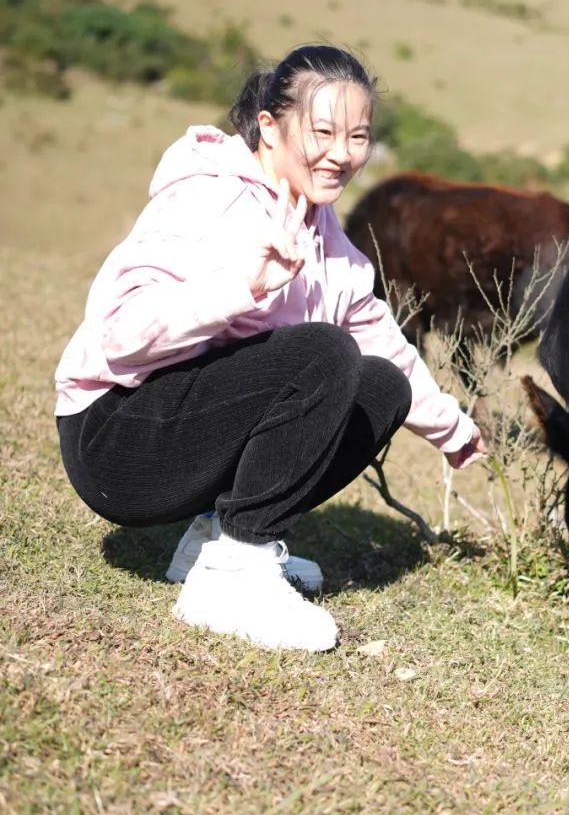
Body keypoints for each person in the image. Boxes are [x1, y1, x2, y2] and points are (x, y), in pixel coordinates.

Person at [55, 44, 486, 652]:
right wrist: (241, 288)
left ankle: (215, 543)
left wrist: (453, 430)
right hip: (115, 440)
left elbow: (384, 344)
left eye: (358, 137)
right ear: (269, 126)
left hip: (182, 426)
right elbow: (120, 335)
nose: (342, 154)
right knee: (323, 353)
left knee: (380, 386)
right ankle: (234, 575)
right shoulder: (211, 198)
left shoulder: (322, 232)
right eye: (323, 132)